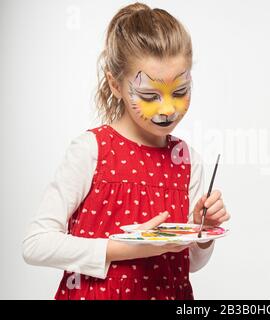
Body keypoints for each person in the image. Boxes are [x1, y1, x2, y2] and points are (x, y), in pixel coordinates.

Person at [23, 2, 230, 300]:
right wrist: (127, 247)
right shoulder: (92, 150)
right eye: (149, 95)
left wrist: (203, 231)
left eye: (181, 91)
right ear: (115, 84)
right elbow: (36, 244)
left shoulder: (186, 160)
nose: (168, 108)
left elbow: (189, 263)